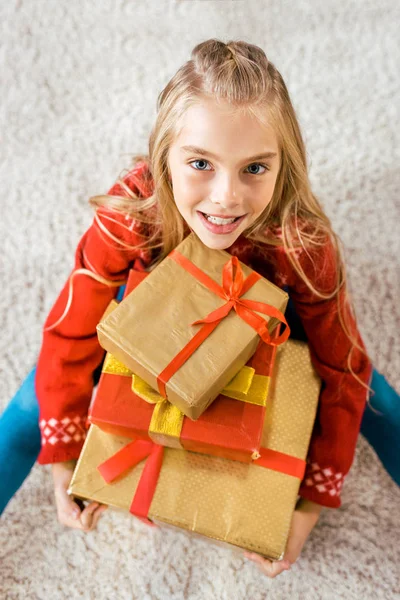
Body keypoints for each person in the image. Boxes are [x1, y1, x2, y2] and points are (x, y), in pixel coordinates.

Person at [1, 39, 399, 579]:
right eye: (200, 164)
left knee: (378, 401)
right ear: (163, 156)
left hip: (275, 332)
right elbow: (70, 332)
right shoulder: (132, 212)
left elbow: (343, 372)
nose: (226, 197)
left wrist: (309, 504)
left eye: (255, 167)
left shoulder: (303, 245)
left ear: (287, 163)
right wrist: (66, 454)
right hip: (156, 315)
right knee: (31, 409)